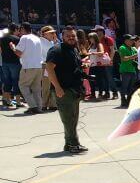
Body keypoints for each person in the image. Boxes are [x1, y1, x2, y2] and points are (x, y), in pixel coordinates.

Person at [45, 26, 88, 154]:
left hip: (74, 89)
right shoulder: (56, 50)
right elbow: (49, 68)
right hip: (64, 90)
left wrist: (83, 66)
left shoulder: (73, 49)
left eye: (73, 36)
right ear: (62, 37)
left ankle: (69, 144)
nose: (71, 38)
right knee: (68, 119)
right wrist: (57, 87)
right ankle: (73, 145)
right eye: (68, 36)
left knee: (73, 118)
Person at [14, 23, 45, 113]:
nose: (20, 31)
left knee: (23, 85)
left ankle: (33, 106)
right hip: (38, 66)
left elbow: (18, 52)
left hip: (28, 66)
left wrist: (13, 48)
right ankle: (38, 107)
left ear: (23, 29)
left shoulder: (24, 38)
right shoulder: (37, 38)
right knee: (36, 88)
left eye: (20, 29)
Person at [86, 31, 114, 101]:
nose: (90, 40)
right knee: (91, 80)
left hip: (99, 65)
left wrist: (93, 53)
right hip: (92, 65)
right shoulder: (91, 45)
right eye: (89, 38)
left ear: (95, 38)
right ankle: (93, 94)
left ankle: (101, 94)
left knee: (100, 80)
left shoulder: (99, 44)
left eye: (91, 38)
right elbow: (89, 56)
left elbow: (102, 53)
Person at [1, 23, 22, 108]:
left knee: (7, 80)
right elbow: (19, 51)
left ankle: (7, 100)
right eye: (18, 30)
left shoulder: (2, 38)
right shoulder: (17, 39)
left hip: (5, 62)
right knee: (16, 81)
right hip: (15, 62)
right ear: (15, 30)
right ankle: (18, 101)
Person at [39, 26, 58, 111]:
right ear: (45, 34)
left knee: (52, 85)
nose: (53, 34)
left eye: (53, 33)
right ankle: (43, 104)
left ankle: (52, 104)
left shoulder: (51, 42)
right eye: (51, 33)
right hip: (44, 65)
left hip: (51, 65)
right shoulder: (40, 41)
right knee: (46, 86)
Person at [117, 34, 138, 107]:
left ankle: (129, 101)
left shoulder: (133, 48)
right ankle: (123, 100)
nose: (132, 41)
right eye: (130, 40)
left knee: (131, 87)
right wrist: (134, 56)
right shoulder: (122, 48)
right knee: (124, 86)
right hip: (125, 70)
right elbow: (123, 58)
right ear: (126, 40)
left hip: (132, 70)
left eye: (132, 40)